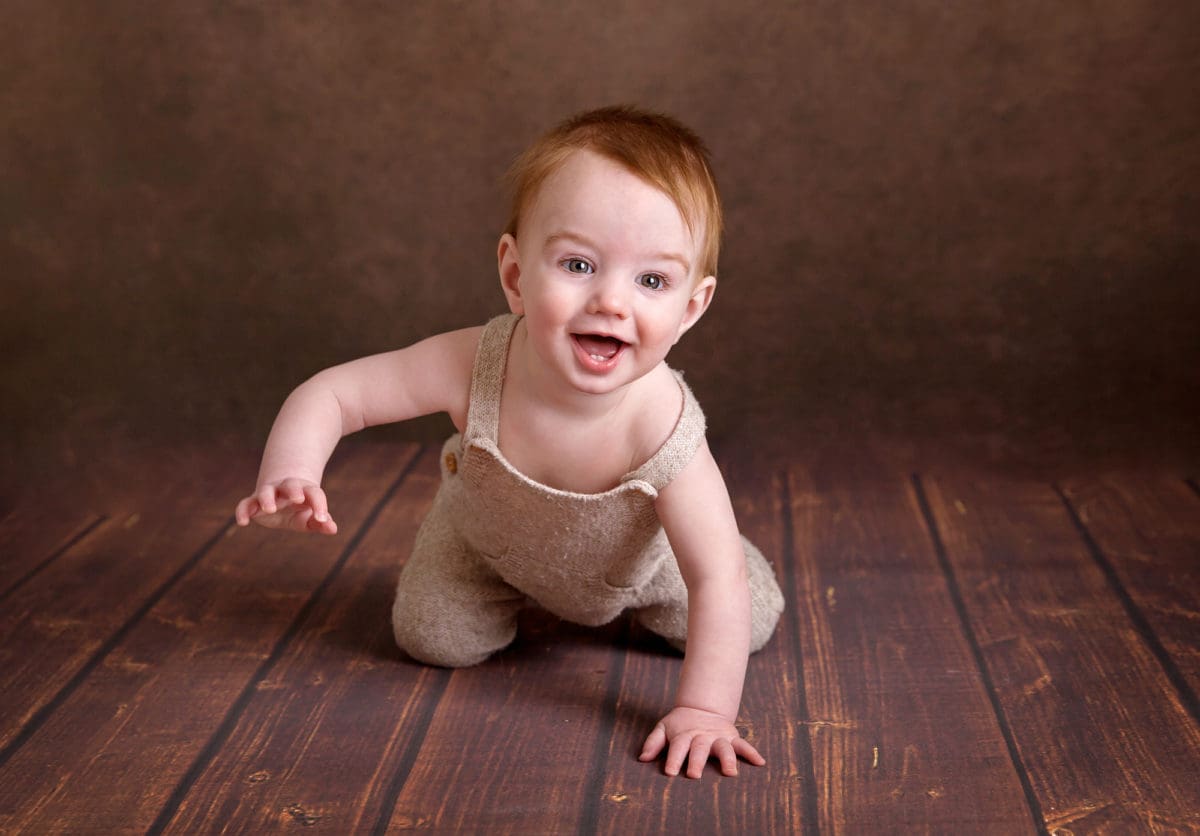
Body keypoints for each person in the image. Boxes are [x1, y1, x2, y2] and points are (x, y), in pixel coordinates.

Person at [234, 105, 785, 779]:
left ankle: (727, 550)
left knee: (743, 612)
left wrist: (704, 711)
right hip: (485, 542)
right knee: (431, 639)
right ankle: (496, 593)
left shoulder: (663, 427)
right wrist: (292, 470)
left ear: (690, 308)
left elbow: (712, 579)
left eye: (651, 281)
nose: (612, 302)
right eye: (578, 264)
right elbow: (335, 393)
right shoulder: (475, 364)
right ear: (516, 274)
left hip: (639, 566)